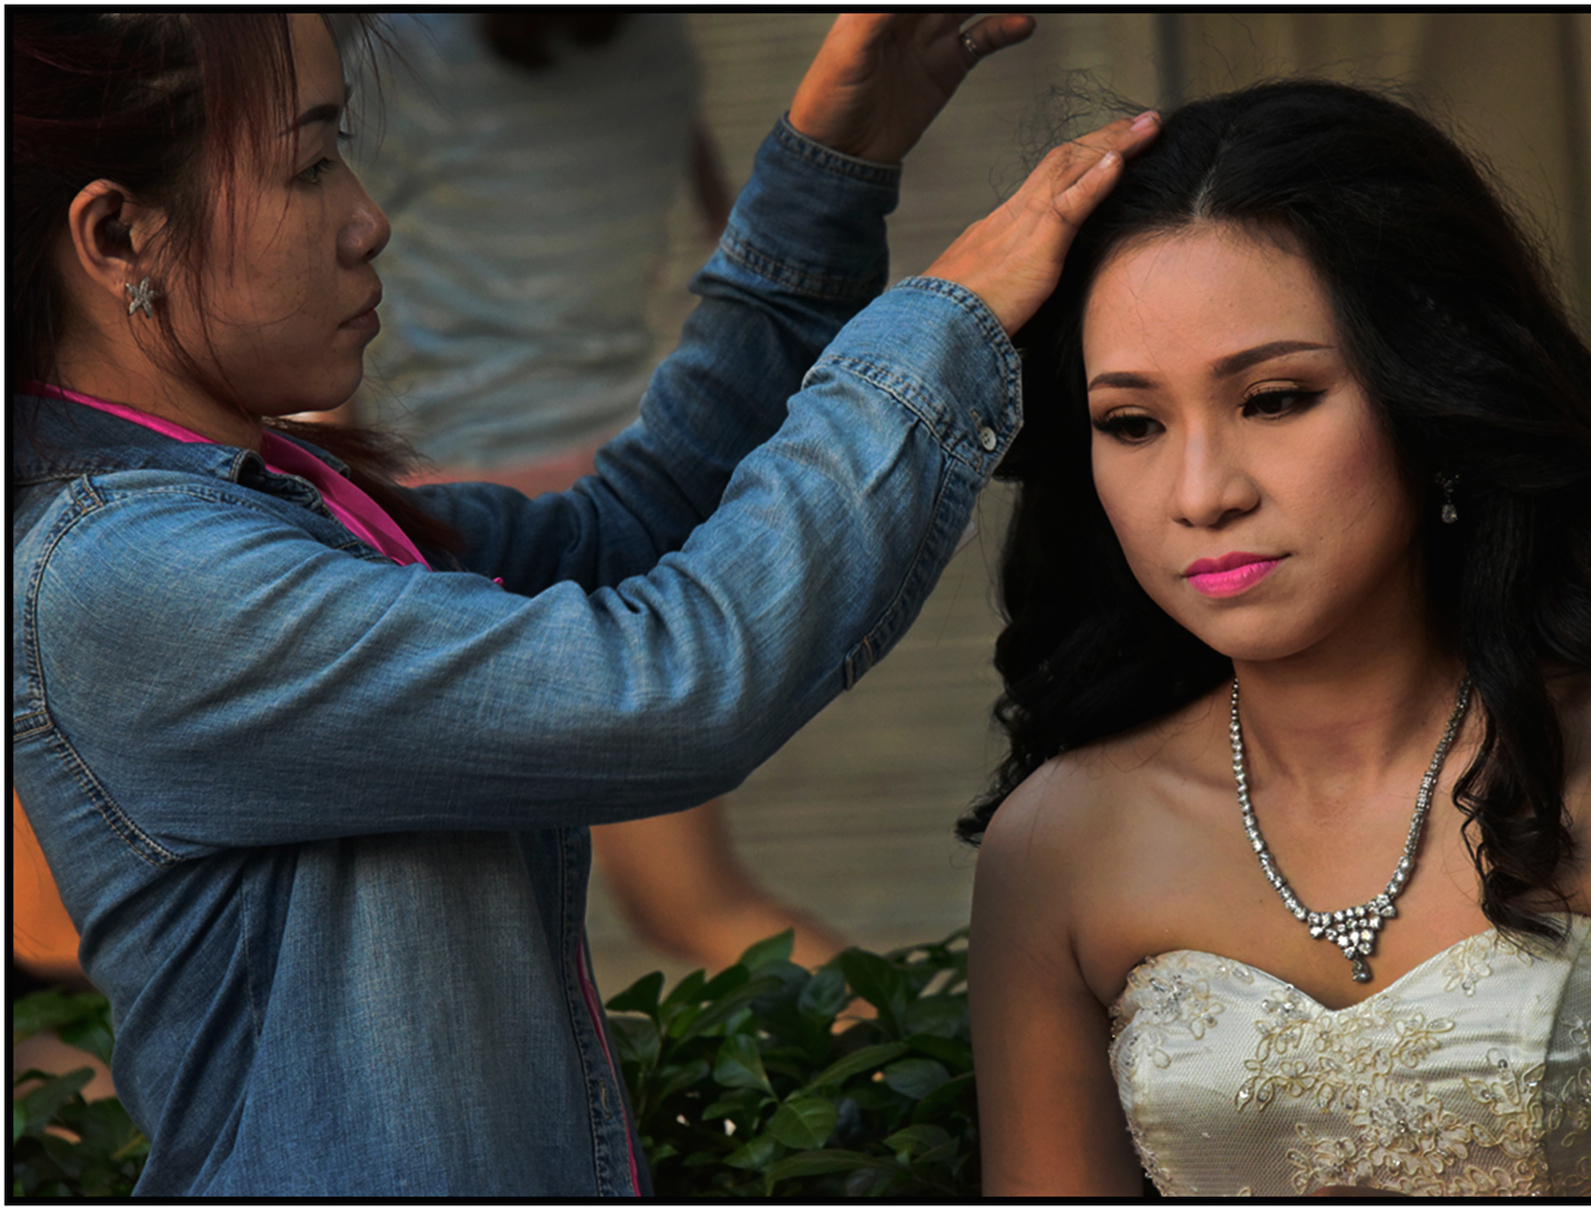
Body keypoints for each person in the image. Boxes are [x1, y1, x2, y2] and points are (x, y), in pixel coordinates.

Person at [8, 10, 1160, 1196]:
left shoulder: (269, 503)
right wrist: (936, 331)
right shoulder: (129, 576)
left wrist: (834, 160)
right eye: (309, 164)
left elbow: (627, 528)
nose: (367, 217)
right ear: (117, 235)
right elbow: (673, 686)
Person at [963, 80, 1591, 1197]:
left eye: (1276, 398)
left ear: (1429, 395)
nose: (1202, 494)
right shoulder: (1055, 846)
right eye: (1134, 424)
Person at [357, 10, 850, 973]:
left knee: (430, 931)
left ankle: (969, 1094)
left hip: (456, 533)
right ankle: (955, 1086)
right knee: (695, 905)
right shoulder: (651, 42)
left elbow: (313, 261)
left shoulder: (401, 55)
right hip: (622, 497)